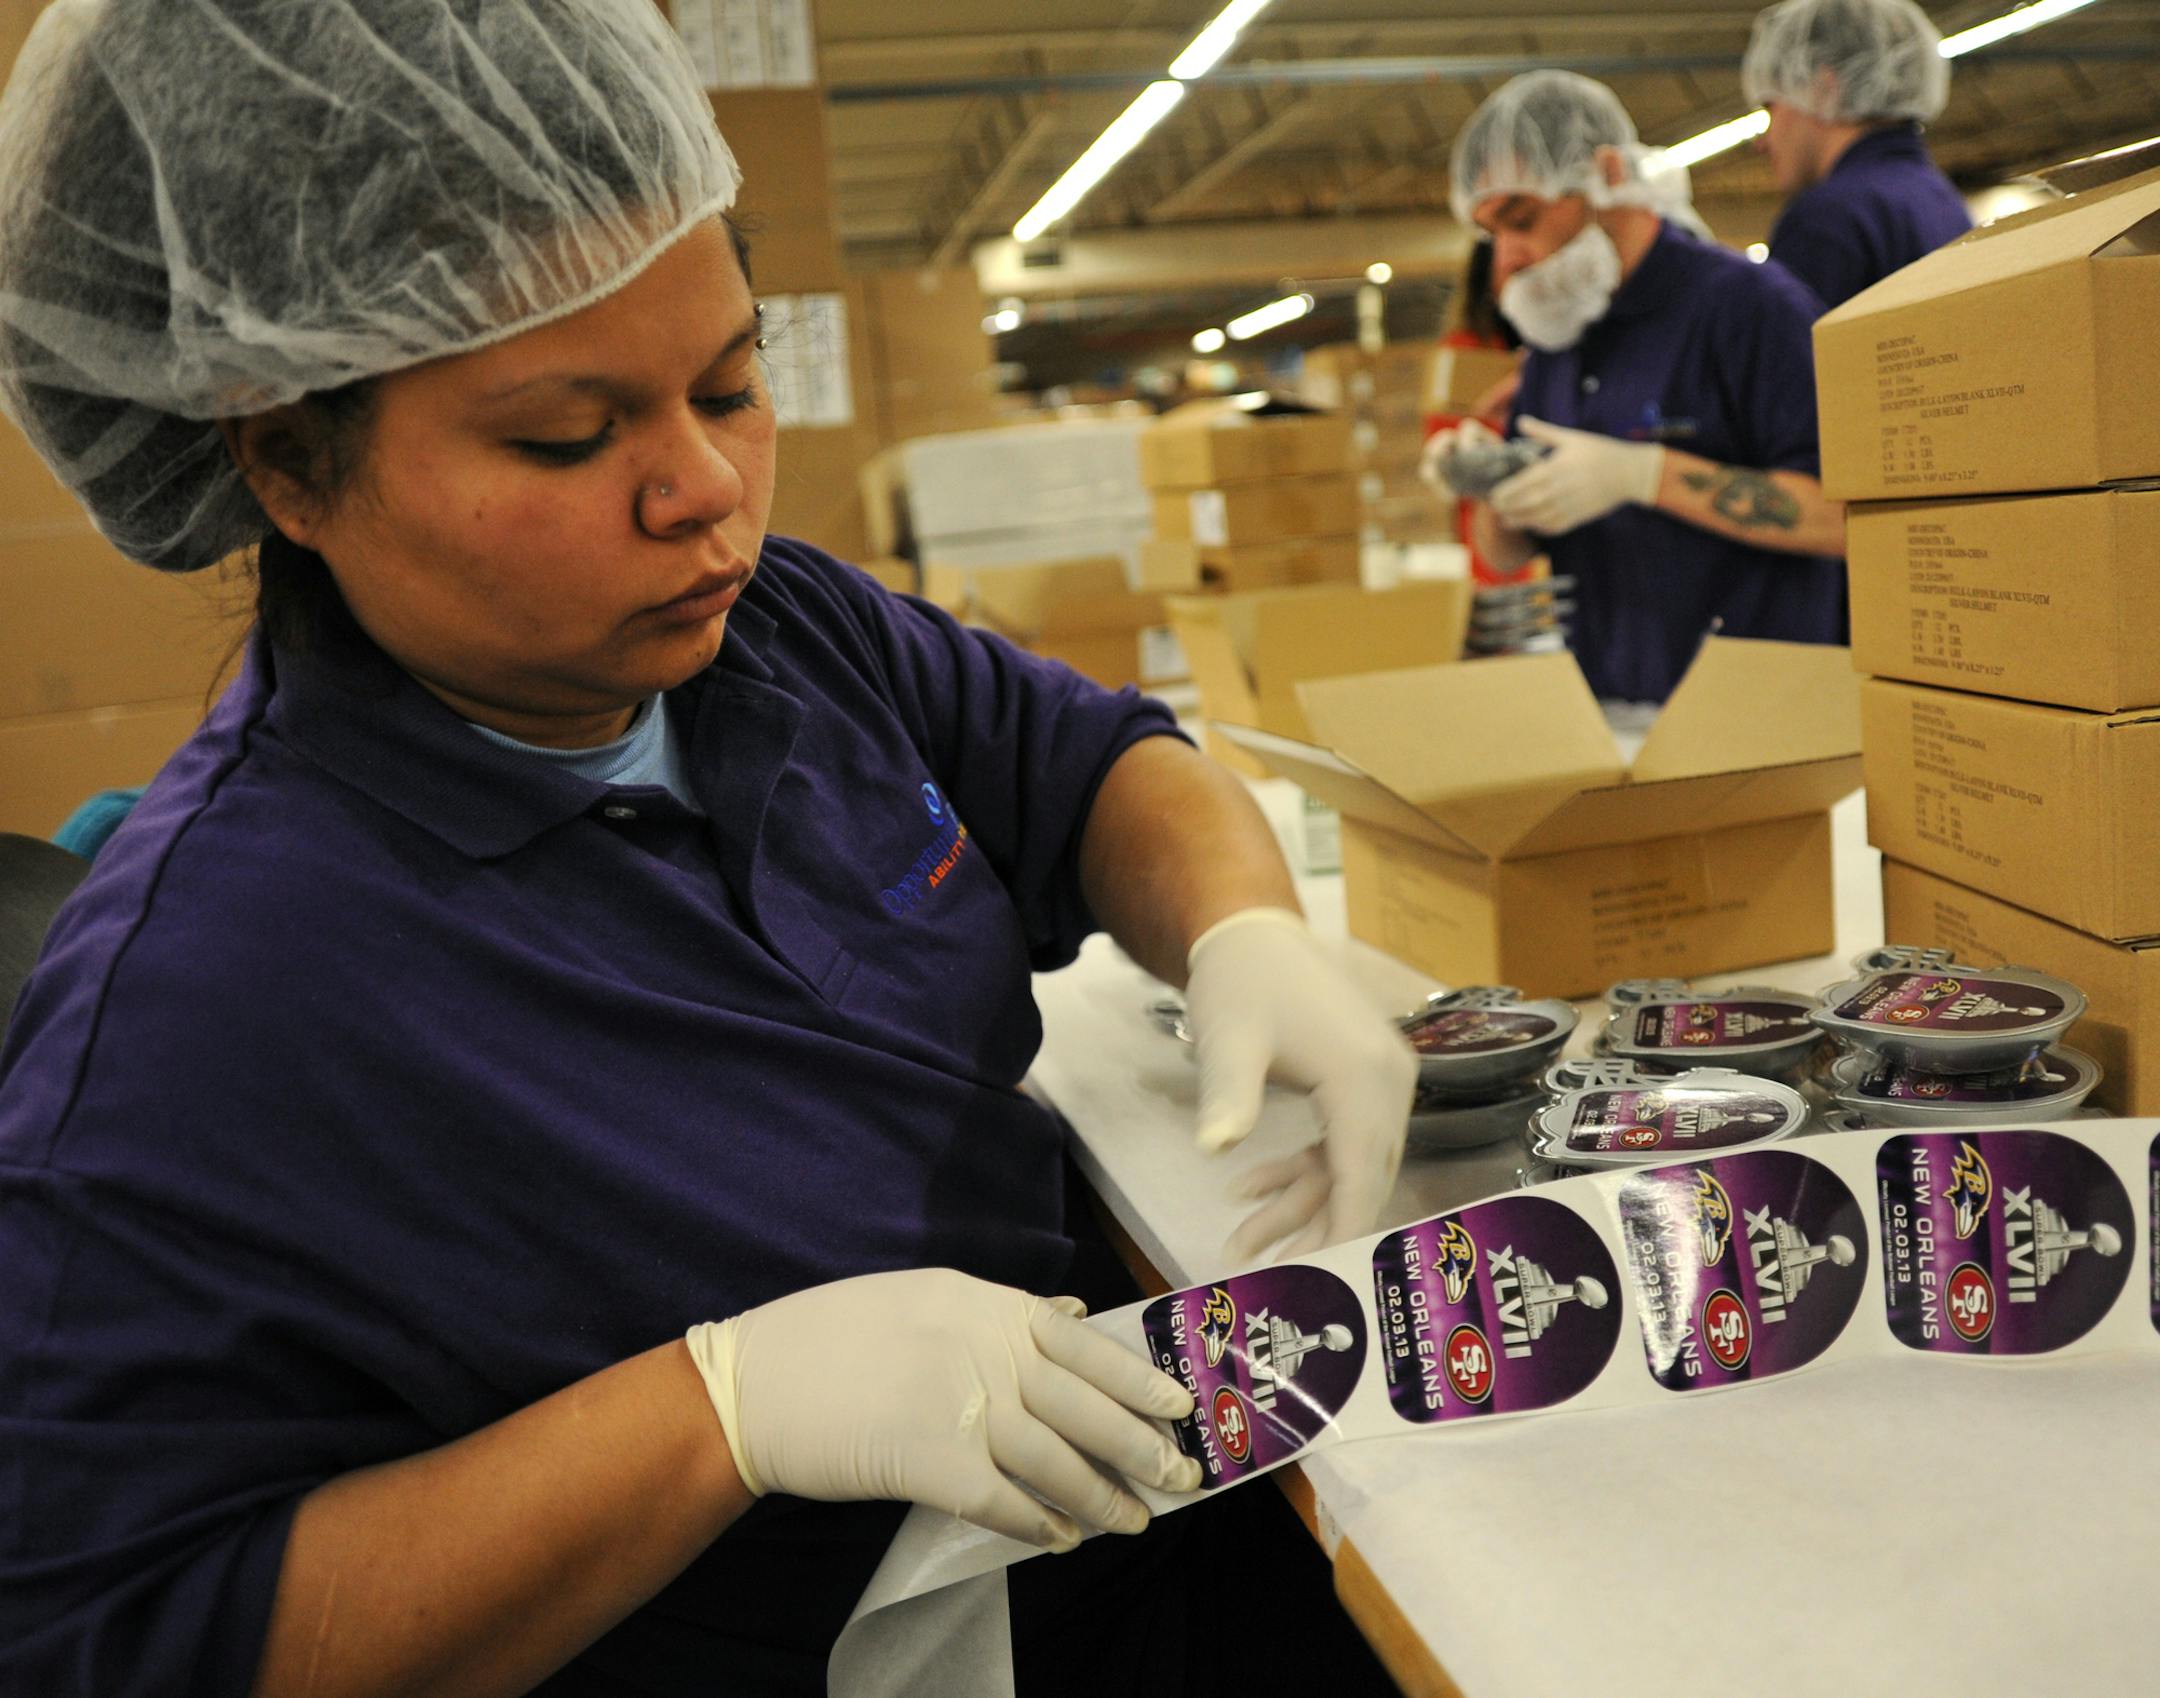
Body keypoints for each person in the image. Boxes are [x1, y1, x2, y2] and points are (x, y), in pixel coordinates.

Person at [0, 5, 1418, 1695]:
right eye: (566, 435)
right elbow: (114, 1632)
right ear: (290, 467)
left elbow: (1096, 763)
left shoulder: (776, 635)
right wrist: (719, 1413)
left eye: (731, 386)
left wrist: (1243, 926)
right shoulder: (210, 993)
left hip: (1133, 1527)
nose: (704, 492)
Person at [1428, 70, 1846, 706]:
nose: (1506, 258)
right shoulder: (1557, 341)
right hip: (1610, 706)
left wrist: (1645, 476)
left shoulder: (1749, 309)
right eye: (1492, 235)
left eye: (1522, 220)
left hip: (1761, 715)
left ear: (1606, 176)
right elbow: (1509, 554)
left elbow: (1842, 518)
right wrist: (1494, 488)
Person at [1744, 0, 1973, 310]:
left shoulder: (1828, 219)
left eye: (1770, 108)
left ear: (1822, 88)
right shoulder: (1939, 198)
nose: (1763, 142)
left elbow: (1797, 340)